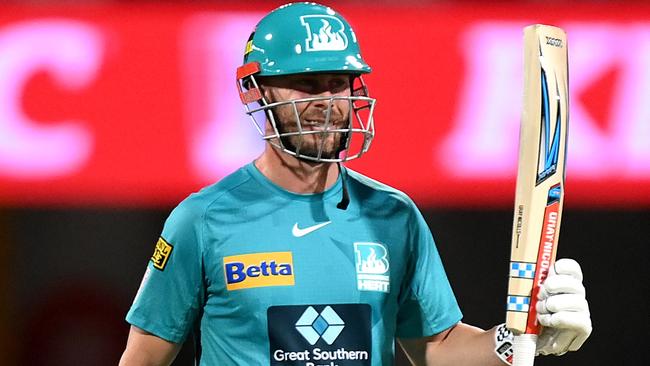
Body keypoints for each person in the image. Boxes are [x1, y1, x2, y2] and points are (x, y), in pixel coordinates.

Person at [119, 3, 591, 366]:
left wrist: (516, 339)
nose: (327, 101)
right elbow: (142, 358)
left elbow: (439, 348)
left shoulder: (394, 215)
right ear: (257, 91)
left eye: (339, 82)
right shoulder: (202, 220)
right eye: (306, 84)